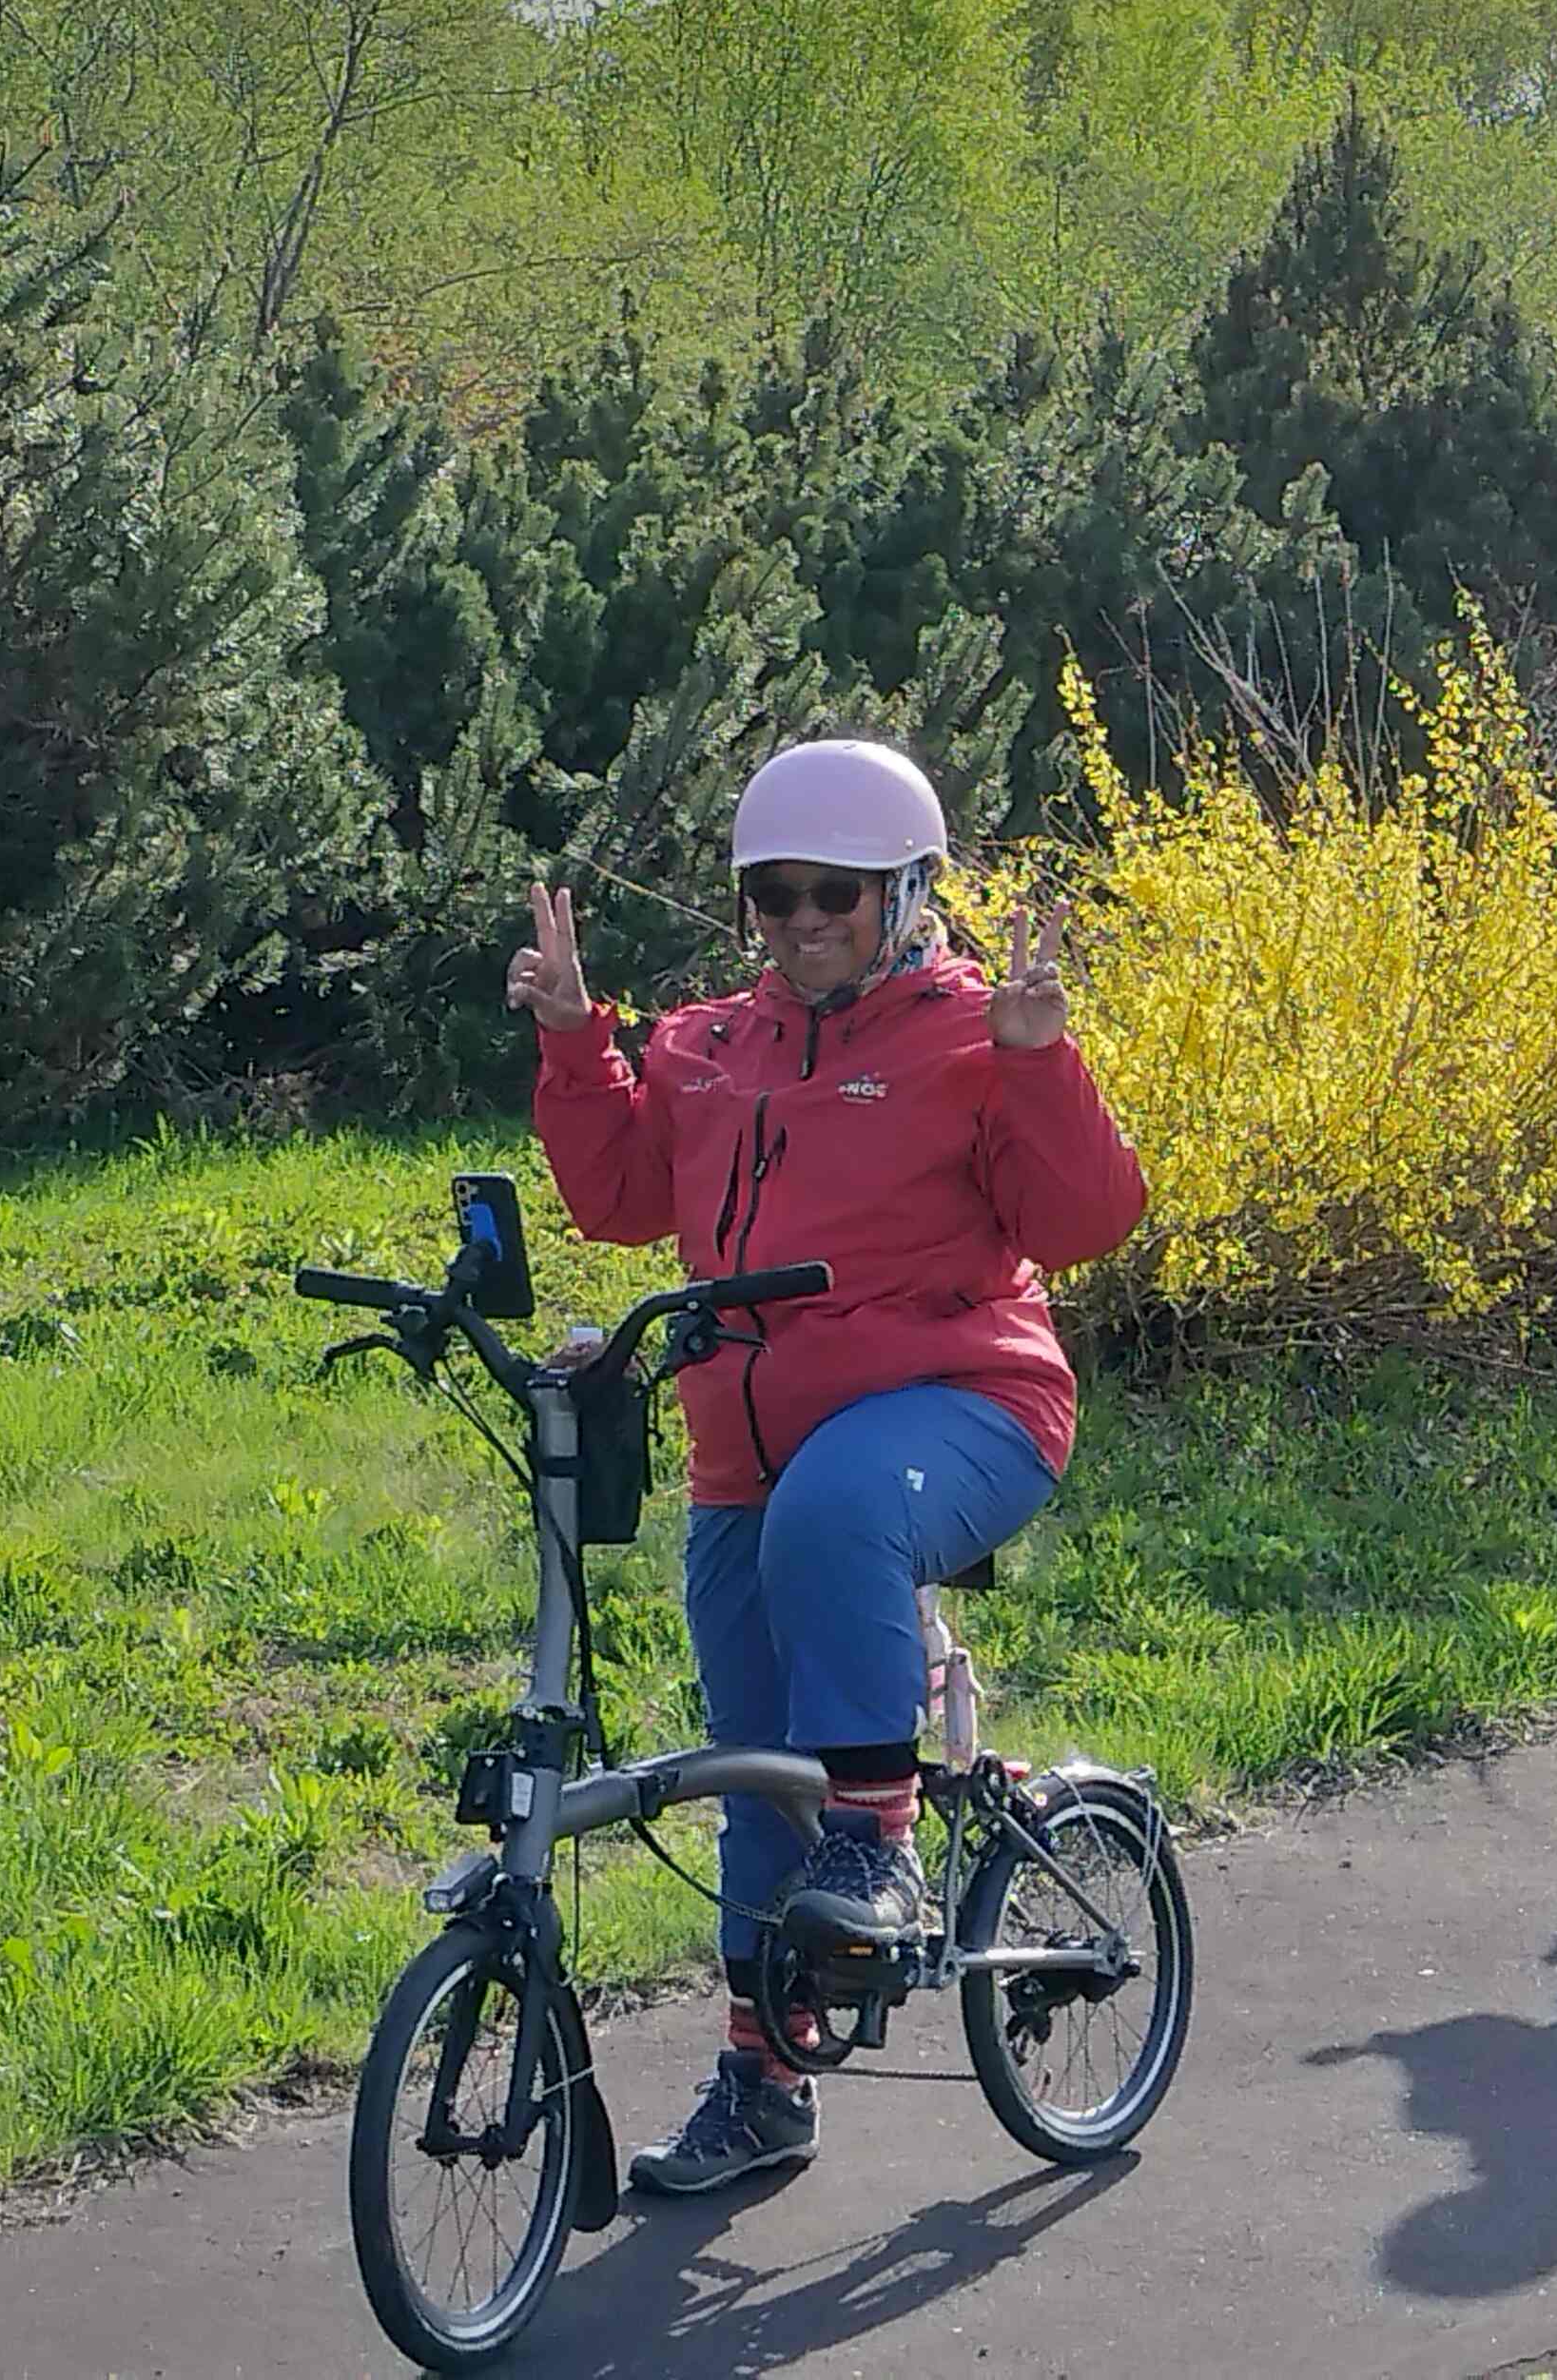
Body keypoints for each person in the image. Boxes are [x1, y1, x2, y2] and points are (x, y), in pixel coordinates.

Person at [504, 739, 1148, 2194]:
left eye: (832, 900)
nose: (798, 927)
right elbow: (615, 1201)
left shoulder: (977, 1033)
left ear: (906, 896)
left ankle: (881, 1842)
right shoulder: (706, 1047)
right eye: (771, 900)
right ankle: (765, 2079)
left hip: (962, 1406)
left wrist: (1044, 1063)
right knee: (754, 1773)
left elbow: (1087, 1220)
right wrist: (571, 1045)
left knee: (839, 1517)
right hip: (749, 1454)